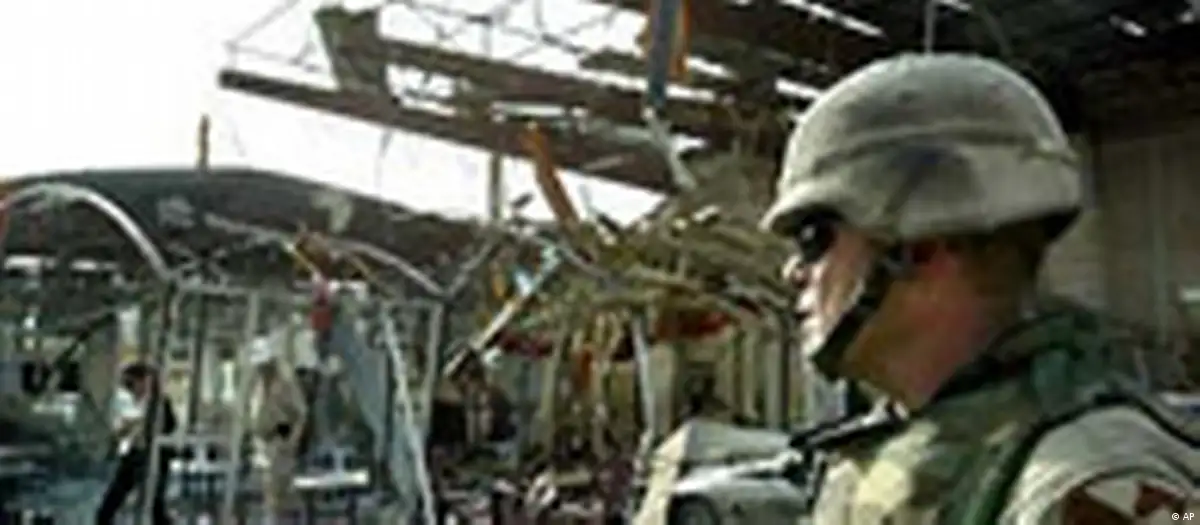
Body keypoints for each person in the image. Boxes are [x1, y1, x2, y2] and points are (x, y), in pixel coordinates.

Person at [759, 53, 1198, 523]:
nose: (793, 271)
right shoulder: (896, 445)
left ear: (919, 244)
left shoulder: (1091, 489)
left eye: (813, 238)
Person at [96, 362, 178, 525]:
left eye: (130, 384)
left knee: (155, 506)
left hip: (151, 458)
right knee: (113, 503)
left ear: (144, 382)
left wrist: (139, 428)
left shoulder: (159, 404)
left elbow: (167, 426)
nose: (130, 390)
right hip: (138, 456)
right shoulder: (140, 402)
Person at [245, 337, 308, 524]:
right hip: (264, 440)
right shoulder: (259, 385)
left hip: (281, 436)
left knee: (280, 489)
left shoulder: (285, 382)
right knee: (269, 491)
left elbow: (300, 413)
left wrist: (292, 440)